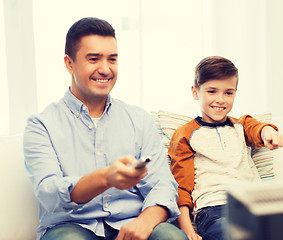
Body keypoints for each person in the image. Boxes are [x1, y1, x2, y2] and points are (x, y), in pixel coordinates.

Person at [23, 17, 188, 240]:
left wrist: (145, 222)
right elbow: (49, 193)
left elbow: (163, 185)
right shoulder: (41, 124)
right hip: (72, 226)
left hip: (132, 221)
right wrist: (105, 178)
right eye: (93, 59)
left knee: (172, 237)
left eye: (112, 59)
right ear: (69, 63)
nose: (105, 69)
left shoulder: (139, 119)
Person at [168, 56, 283, 240]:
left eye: (228, 93)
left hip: (253, 203)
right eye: (212, 91)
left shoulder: (241, 125)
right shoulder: (185, 134)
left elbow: (258, 129)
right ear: (195, 92)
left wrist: (269, 133)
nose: (220, 99)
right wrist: (189, 232)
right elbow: (181, 188)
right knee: (234, 233)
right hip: (214, 210)